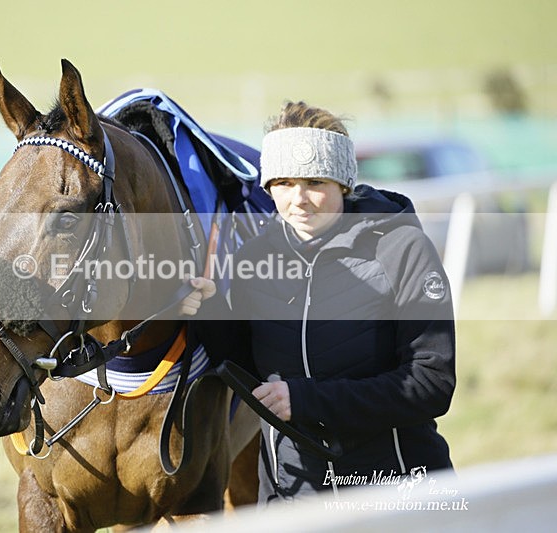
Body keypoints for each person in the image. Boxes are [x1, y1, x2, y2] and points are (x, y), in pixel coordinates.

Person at [183, 101, 456, 504]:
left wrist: (307, 400)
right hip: (290, 497)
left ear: (343, 183)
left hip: (398, 492)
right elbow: (249, 371)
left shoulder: (403, 248)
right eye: (284, 183)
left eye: (315, 182)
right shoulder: (253, 260)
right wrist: (210, 316)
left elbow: (431, 383)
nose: (299, 199)